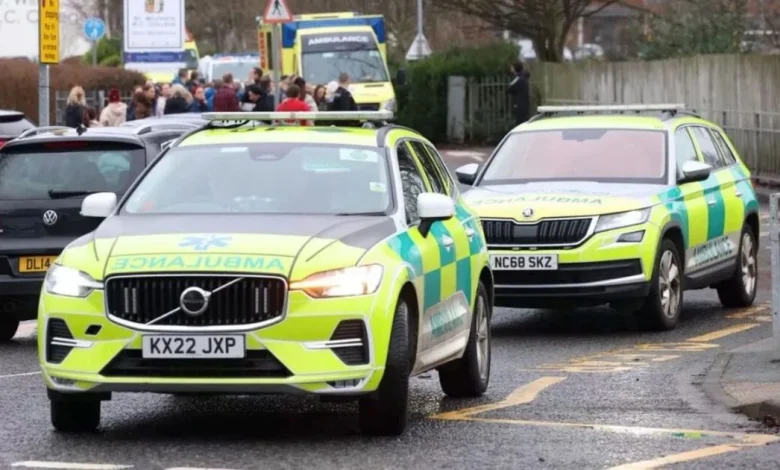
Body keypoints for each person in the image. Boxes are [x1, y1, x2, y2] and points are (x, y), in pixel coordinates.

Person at [508, 61, 531, 125]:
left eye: (512, 67)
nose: (510, 68)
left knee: (520, 122)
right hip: (524, 103)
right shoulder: (523, 77)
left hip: (520, 104)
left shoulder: (519, 78)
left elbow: (509, 88)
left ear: (515, 68)